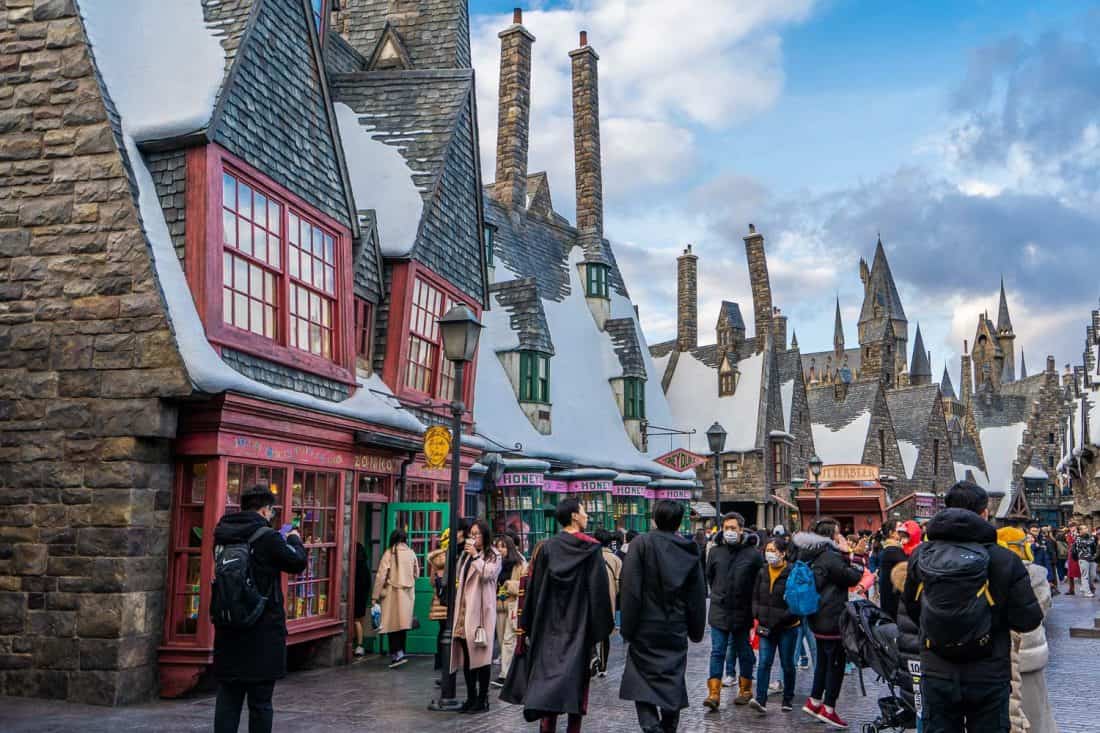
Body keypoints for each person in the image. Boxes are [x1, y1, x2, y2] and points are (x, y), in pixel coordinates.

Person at [901, 481, 1042, 733]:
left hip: (938, 670)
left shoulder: (921, 555)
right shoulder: (1003, 558)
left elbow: (912, 609)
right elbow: (1028, 619)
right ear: (984, 513)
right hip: (988, 671)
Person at [506, 498, 613, 732]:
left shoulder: (547, 548)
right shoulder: (591, 549)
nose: (586, 515)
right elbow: (598, 594)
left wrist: (527, 626)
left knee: (547, 683)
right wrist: (599, 631)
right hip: (579, 627)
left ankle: (547, 728)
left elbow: (534, 589)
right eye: (584, 511)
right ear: (574, 516)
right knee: (577, 687)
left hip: (548, 627)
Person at [212, 484, 307, 733]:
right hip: (262, 629)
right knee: (261, 702)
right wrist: (294, 537)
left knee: (228, 698)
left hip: (228, 626)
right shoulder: (268, 537)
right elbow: (297, 562)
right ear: (265, 510)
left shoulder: (222, 534)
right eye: (272, 512)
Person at [619, 500, 707, 733]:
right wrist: (696, 630)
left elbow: (630, 590)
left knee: (641, 679)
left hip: (645, 626)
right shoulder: (688, 550)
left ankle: (650, 724)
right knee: (672, 679)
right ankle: (668, 726)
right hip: (675, 627)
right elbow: (697, 596)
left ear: (655, 518)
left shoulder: (641, 544)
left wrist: (627, 627)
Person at [793, 518, 864, 729]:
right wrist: (855, 555)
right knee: (836, 665)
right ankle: (829, 708)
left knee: (823, 661)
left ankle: (814, 700)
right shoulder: (830, 557)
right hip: (832, 618)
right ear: (831, 536)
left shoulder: (811, 554)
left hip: (817, 617)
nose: (840, 535)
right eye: (838, 532)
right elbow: (852, 577)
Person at [998, 527, 1057, 733]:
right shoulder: (1036, 574)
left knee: (1013, 712)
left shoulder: (997, 572)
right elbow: (1041, 609)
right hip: (1032, 650)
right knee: (1037, 711)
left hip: (1008, 652)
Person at [702, 511, 763, 710]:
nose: (729, 532)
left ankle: (745, 690)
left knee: (744, 651)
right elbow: (709, 576)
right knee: (717, 651)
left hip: (742, 611)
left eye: (733, 528)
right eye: (726, 528)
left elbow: (758, 581)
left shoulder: (752, 554)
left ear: (741, 530)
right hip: (719, 610)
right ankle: (714, 693)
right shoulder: (715, 551)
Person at [448, 519, 501, 713]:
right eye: (472, 534)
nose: (473, 537)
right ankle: (470, 697)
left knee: (481, 660)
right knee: (467, 659)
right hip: (464, 612)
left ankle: (483, 699)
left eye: (477, 534)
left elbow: (489, 574)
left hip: (480, 615)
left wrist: (477, 556)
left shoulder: (492, 555)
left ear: (485, 536)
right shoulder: (465, 556)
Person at [749, 536, 799, 715]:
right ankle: (760, 699)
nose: (769, 554)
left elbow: (796, 602)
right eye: (767, 550)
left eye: (773, 550)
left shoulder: (792, 572)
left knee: (787, 664)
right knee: (764, 663)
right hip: (765, 626)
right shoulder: (762, 571)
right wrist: (756, 613)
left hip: (787, 627)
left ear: (783, 553)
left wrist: (781, 619)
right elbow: (755, 595)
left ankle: (788, 698)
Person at [373, 528, 419, 668]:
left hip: (392, 593)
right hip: (407, 594)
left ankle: (395, 655)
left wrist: (375, 596)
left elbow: (381, 576)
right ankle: (401, 653)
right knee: (403, 625)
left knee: (391, 626)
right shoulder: (411, 553)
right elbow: (417, 573)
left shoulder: (389, 553)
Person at [492, 534, 526, 688]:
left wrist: (508, 585)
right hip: (499, 606)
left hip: (513, 605)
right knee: (501, 640)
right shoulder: (495, 564)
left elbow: (523, 585)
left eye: (503, 546)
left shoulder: (519, 564)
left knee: (508, 640)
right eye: (497, 546)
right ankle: (510, 672)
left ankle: (505, 675)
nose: (500, 550)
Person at [595, 528, 623, 678]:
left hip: (591, 602)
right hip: (608, 602)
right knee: (605, 635)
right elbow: (620, 584)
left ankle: (592, 659)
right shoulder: (616, 559)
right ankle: (603, 666)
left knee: (590, 633)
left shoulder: (589, 558)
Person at [877, 524, 907, 619]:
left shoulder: (888, 548)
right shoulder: (893, 550)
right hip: (893, 596)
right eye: (898, 529)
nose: (902, 531)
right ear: (891, 533)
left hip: (888, 594)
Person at [353, 541, 372, 657]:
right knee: (360, 620)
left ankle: (359, 645)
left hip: (357, 596)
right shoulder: (365, 568)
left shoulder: (356, 568)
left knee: (356, 620)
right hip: (362, 596)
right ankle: (359, 644)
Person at [1073, 524, 1096, 596]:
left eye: (1086, 528)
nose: (1086, 529)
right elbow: (1087, 543)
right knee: (1085, 576)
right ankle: (1087, 592)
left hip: (1092, 558)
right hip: (1083, 558)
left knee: (1093, 575)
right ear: (1080, 530)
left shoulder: (1090, 536)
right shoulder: (1078, 538)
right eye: (1084, 528)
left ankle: (1085, 587)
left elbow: (1093, 543)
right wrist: (1092, 539)